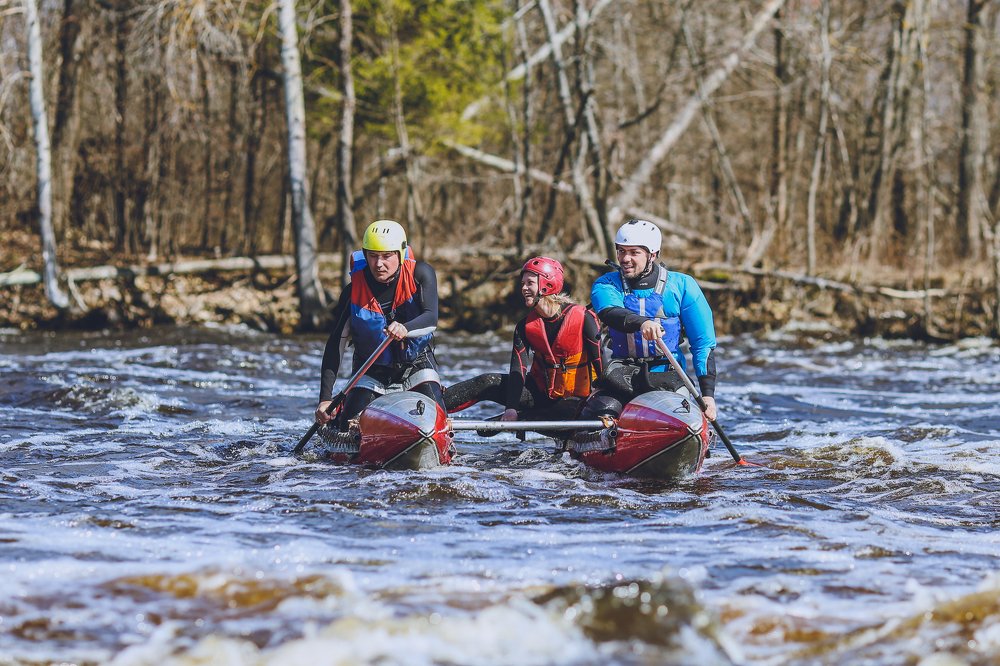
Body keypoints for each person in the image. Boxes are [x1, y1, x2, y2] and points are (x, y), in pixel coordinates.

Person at [580, 218, 718, 422]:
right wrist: (642, 323)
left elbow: (703, 343)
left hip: (668, 374)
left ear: (652, 254)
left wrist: (707, 395)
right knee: (600, 413)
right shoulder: (606, 284)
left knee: (679, 417)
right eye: (621, 251)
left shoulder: (682, 285)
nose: (625, 258)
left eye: (634, 252)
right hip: (622, 374)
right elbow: (611, 312)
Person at [316, 219, 445, 429]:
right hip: (370, 369)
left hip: (416, 364)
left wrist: (406, 328)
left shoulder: (421, 274)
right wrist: (325, 398)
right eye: (373, 256)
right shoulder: (352, 293)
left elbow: (431, 319)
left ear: (401, 254)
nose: (379, 264)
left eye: (387, 256)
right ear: (365, 255)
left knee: (436, 419)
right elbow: (335, 346)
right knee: (348, 427)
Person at [445, 256, 604, 423]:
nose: (524, 288)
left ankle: (525, 418)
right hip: (542, 395)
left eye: (530, 283)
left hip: (580, 401)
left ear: (547, 285)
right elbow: (518, 370)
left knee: (565, 408)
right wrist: (511, 408)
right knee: (486, 382)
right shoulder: (524, 326)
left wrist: (602, 401)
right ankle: (433, 405)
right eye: (522, 284)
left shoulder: (584, 318)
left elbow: (600, 362)